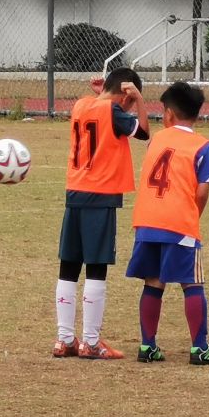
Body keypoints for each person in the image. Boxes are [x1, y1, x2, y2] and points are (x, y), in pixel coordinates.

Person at [125, 81, 209, 365]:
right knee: (192, 283)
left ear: (168, 114)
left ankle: (147, 346)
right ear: (197, 114)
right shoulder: (202, 145)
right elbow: (203, 189)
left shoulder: (158, 139)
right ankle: (200, 348)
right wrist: (193, 214)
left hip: (146, 221)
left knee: (153, 282)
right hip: (179, 222)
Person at [54, 66, 149, 360]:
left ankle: (64, 339)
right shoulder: (114, 112)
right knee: (96, 266)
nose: (130, 106)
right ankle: (91, 342)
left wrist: (107, 99)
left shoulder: (82, 104)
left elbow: (103, 112)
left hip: (75, 192)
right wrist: (141, 102)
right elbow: (144, 132)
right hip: (101, 195)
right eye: (130, 100)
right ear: (126, 92)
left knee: (69, 265)